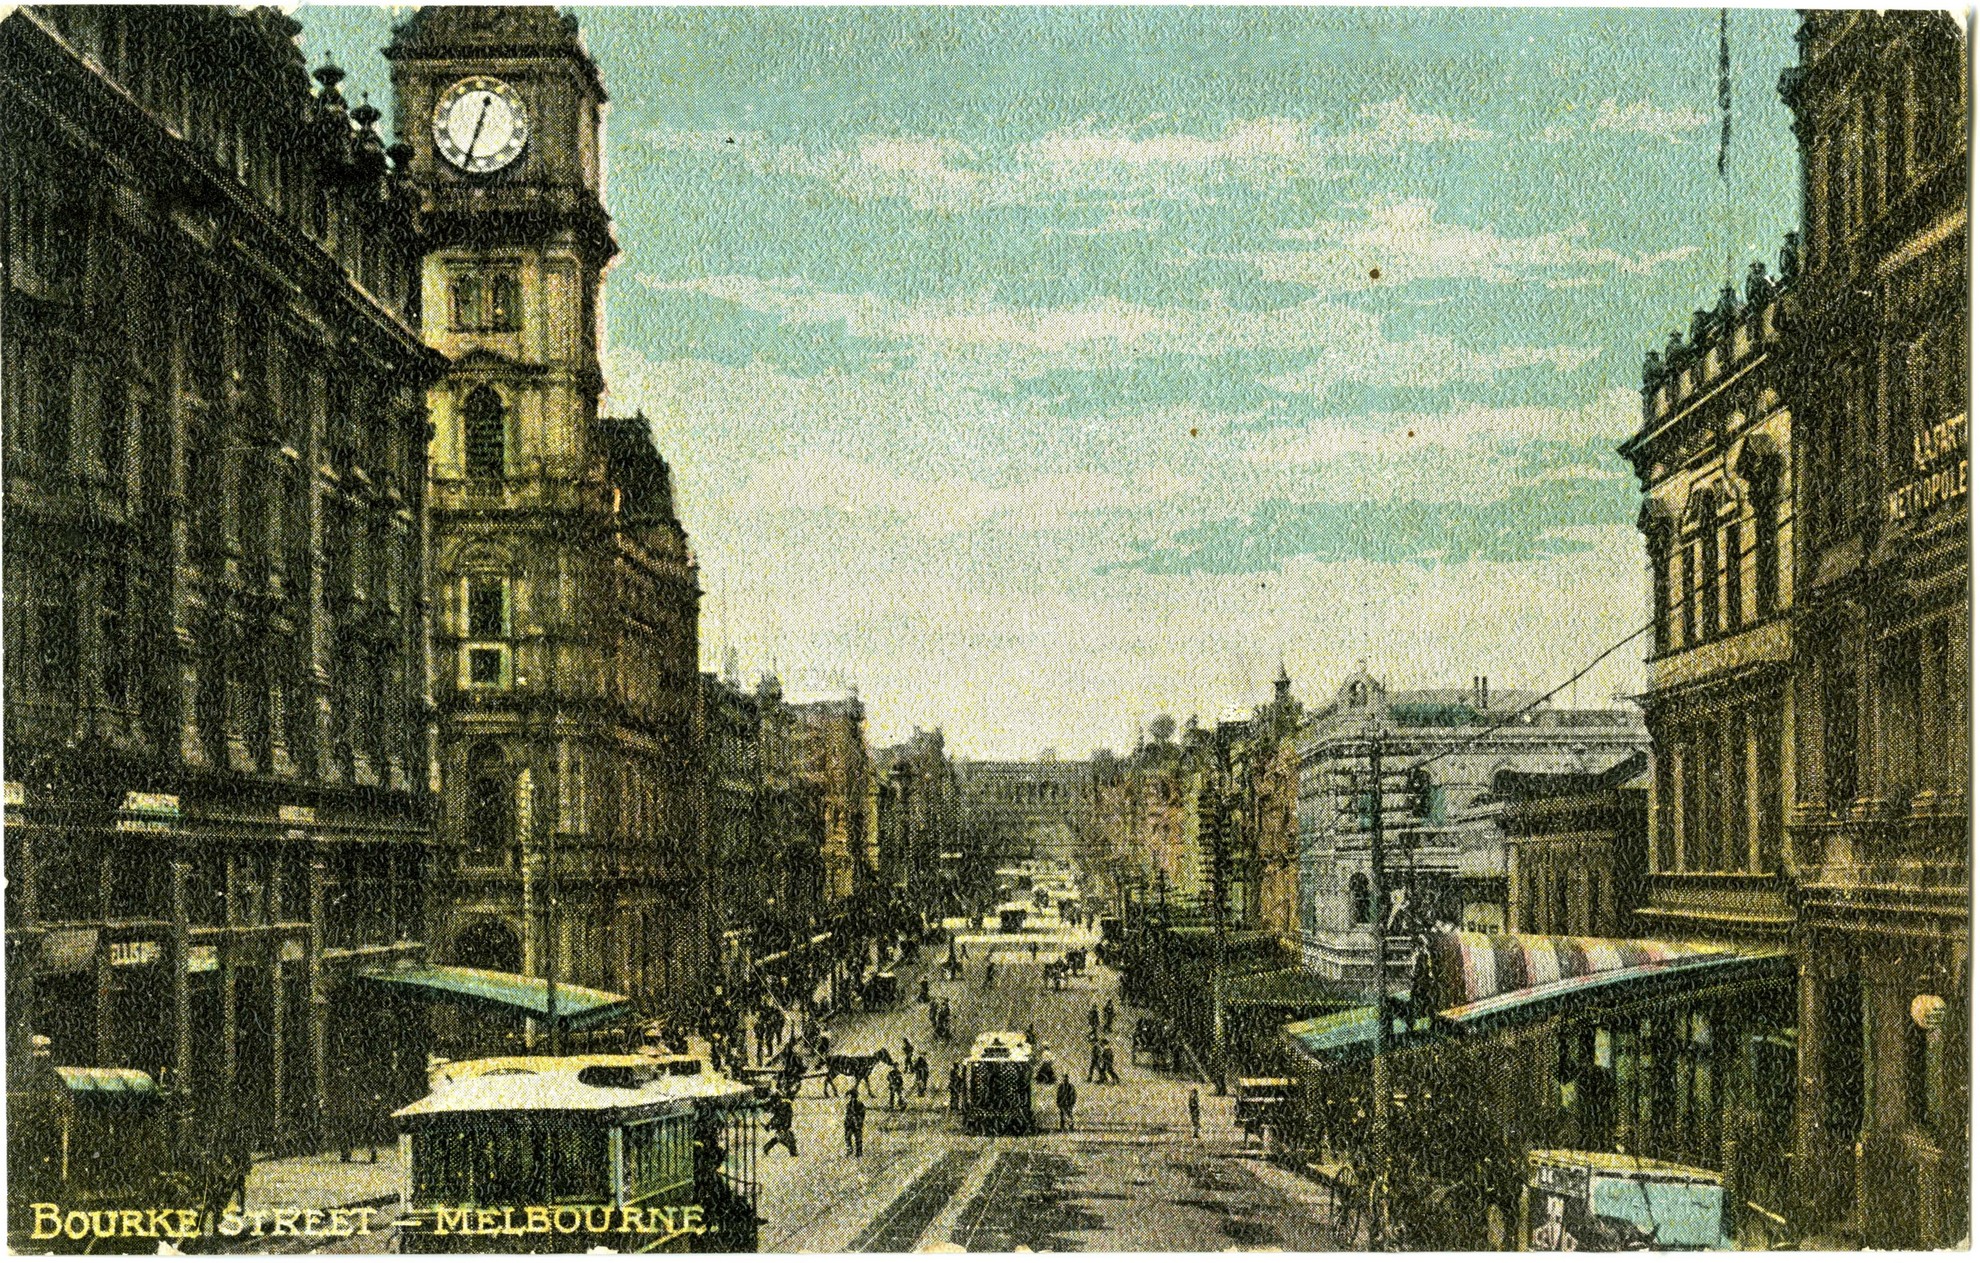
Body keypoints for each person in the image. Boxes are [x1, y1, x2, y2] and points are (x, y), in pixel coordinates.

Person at [843, 1091, 867, 1157]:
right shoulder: (849, 1104)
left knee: (858, 1138)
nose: (851, 1098)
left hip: (856, 1123)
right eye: (851, 1097)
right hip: (850, 1123)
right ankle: (850, 1149)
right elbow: (847, 1114)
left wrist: (859, 1120)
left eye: (852, 1096)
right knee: (847, 1137)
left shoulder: (860, 1104)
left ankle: (859, 1152)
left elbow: (862, 1113)